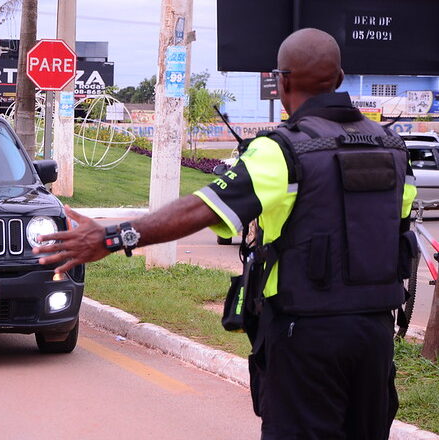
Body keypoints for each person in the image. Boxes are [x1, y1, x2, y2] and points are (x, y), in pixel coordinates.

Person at [33, 28, 415, 440]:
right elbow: (396, 229)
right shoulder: (393, 148)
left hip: (306, 338)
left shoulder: (282, 150)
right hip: (375, 337)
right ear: (339, 78)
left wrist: (111, 238)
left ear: (281, 80)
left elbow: (201, 208)